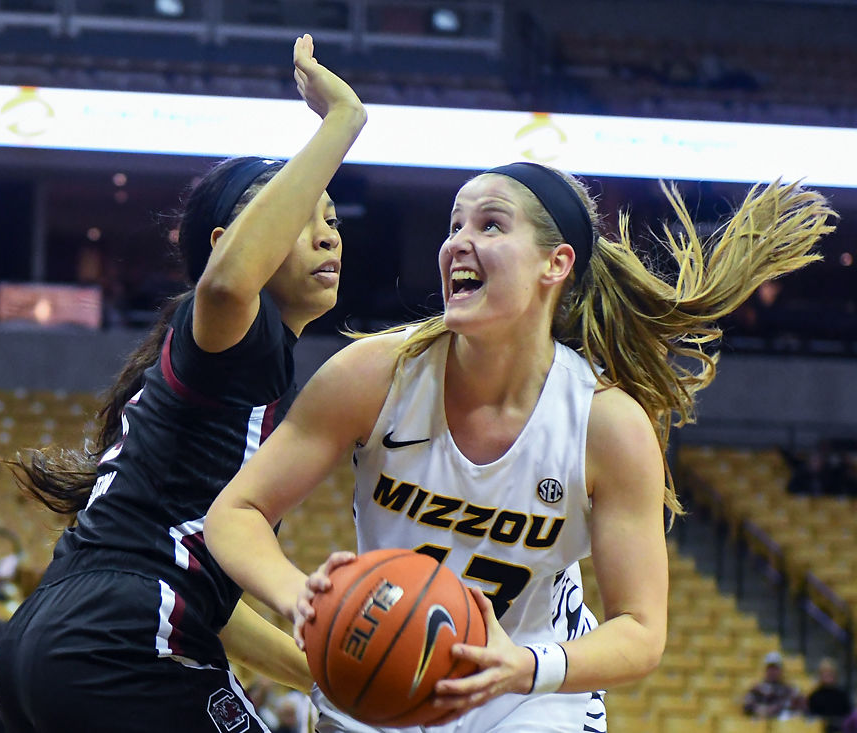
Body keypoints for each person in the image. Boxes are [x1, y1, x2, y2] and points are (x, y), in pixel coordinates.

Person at [206, 163, 836, 731]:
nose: (458, 241)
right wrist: (303, 599)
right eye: (454, 224)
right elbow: (234, 514)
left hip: (531, 697)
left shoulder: (604, 423)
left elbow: (641, 631)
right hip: (381, 677)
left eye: (489, 224)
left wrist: (528, 666)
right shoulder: (374, 374)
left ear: (554, 264)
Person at [0, 34, 366, 733]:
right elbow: (226, 283)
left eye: (332, 218)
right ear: (230, 239)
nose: (326, 235)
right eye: (301, 213)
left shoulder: (228, 366)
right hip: (123, 636)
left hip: (54, 639)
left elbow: (213, 605)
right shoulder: (236, 332)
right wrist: (343, 121)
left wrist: (325, 677)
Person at [744, 651, 805, 719]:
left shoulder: (789, 690)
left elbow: (801, 705)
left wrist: (777, 708)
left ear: (781, 670)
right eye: (770, 668)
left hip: (782, 725)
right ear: (766, 670)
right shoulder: (757, 689)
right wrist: (760, 709)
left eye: (775, 668)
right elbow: (747, 706)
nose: (772, 672)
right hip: (761, 723)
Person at [807, 657, 853, 733]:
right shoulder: (814, 696)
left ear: (836, 675)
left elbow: (849, 717)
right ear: (820, 675)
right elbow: (811, 718)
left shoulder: (843, 695)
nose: (828, 675)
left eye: (831, 673)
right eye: (825, 673)